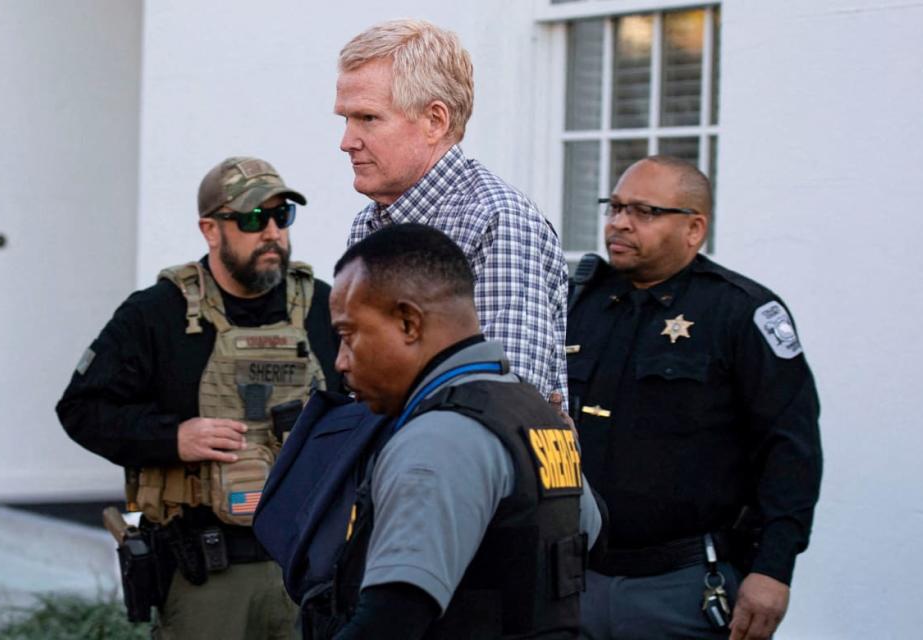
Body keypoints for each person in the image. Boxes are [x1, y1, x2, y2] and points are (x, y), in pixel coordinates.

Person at [57, 156, 340, 640]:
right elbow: (82, 409)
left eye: (281, 217)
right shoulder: (157, 314)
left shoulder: (322, 307)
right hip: (207, 573)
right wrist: (173, 437)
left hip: (304, 567)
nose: (271, 232)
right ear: (211, 230)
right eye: (252, 219)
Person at [300, 223, 601, 639]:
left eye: (350, 335)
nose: (341, 361)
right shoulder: (535, 414)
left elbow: (389, 621)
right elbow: (591, 533)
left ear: (409, 323)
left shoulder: (440, 440)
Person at [567, 156, 822, 640]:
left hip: (684, 586)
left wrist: (774, 568)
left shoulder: (739, 313)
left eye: (644, 211)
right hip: (577, 581)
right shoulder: (580, 303)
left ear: (694, 228)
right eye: (615, 206)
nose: (619, 222)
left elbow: (791, 448)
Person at [335, 19, 569, 407]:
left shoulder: (497, 218)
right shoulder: (370, 223)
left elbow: (502, 397)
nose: (346, 142)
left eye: (368, 118)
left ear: (435, 121)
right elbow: (356, 381)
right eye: (346, 119)